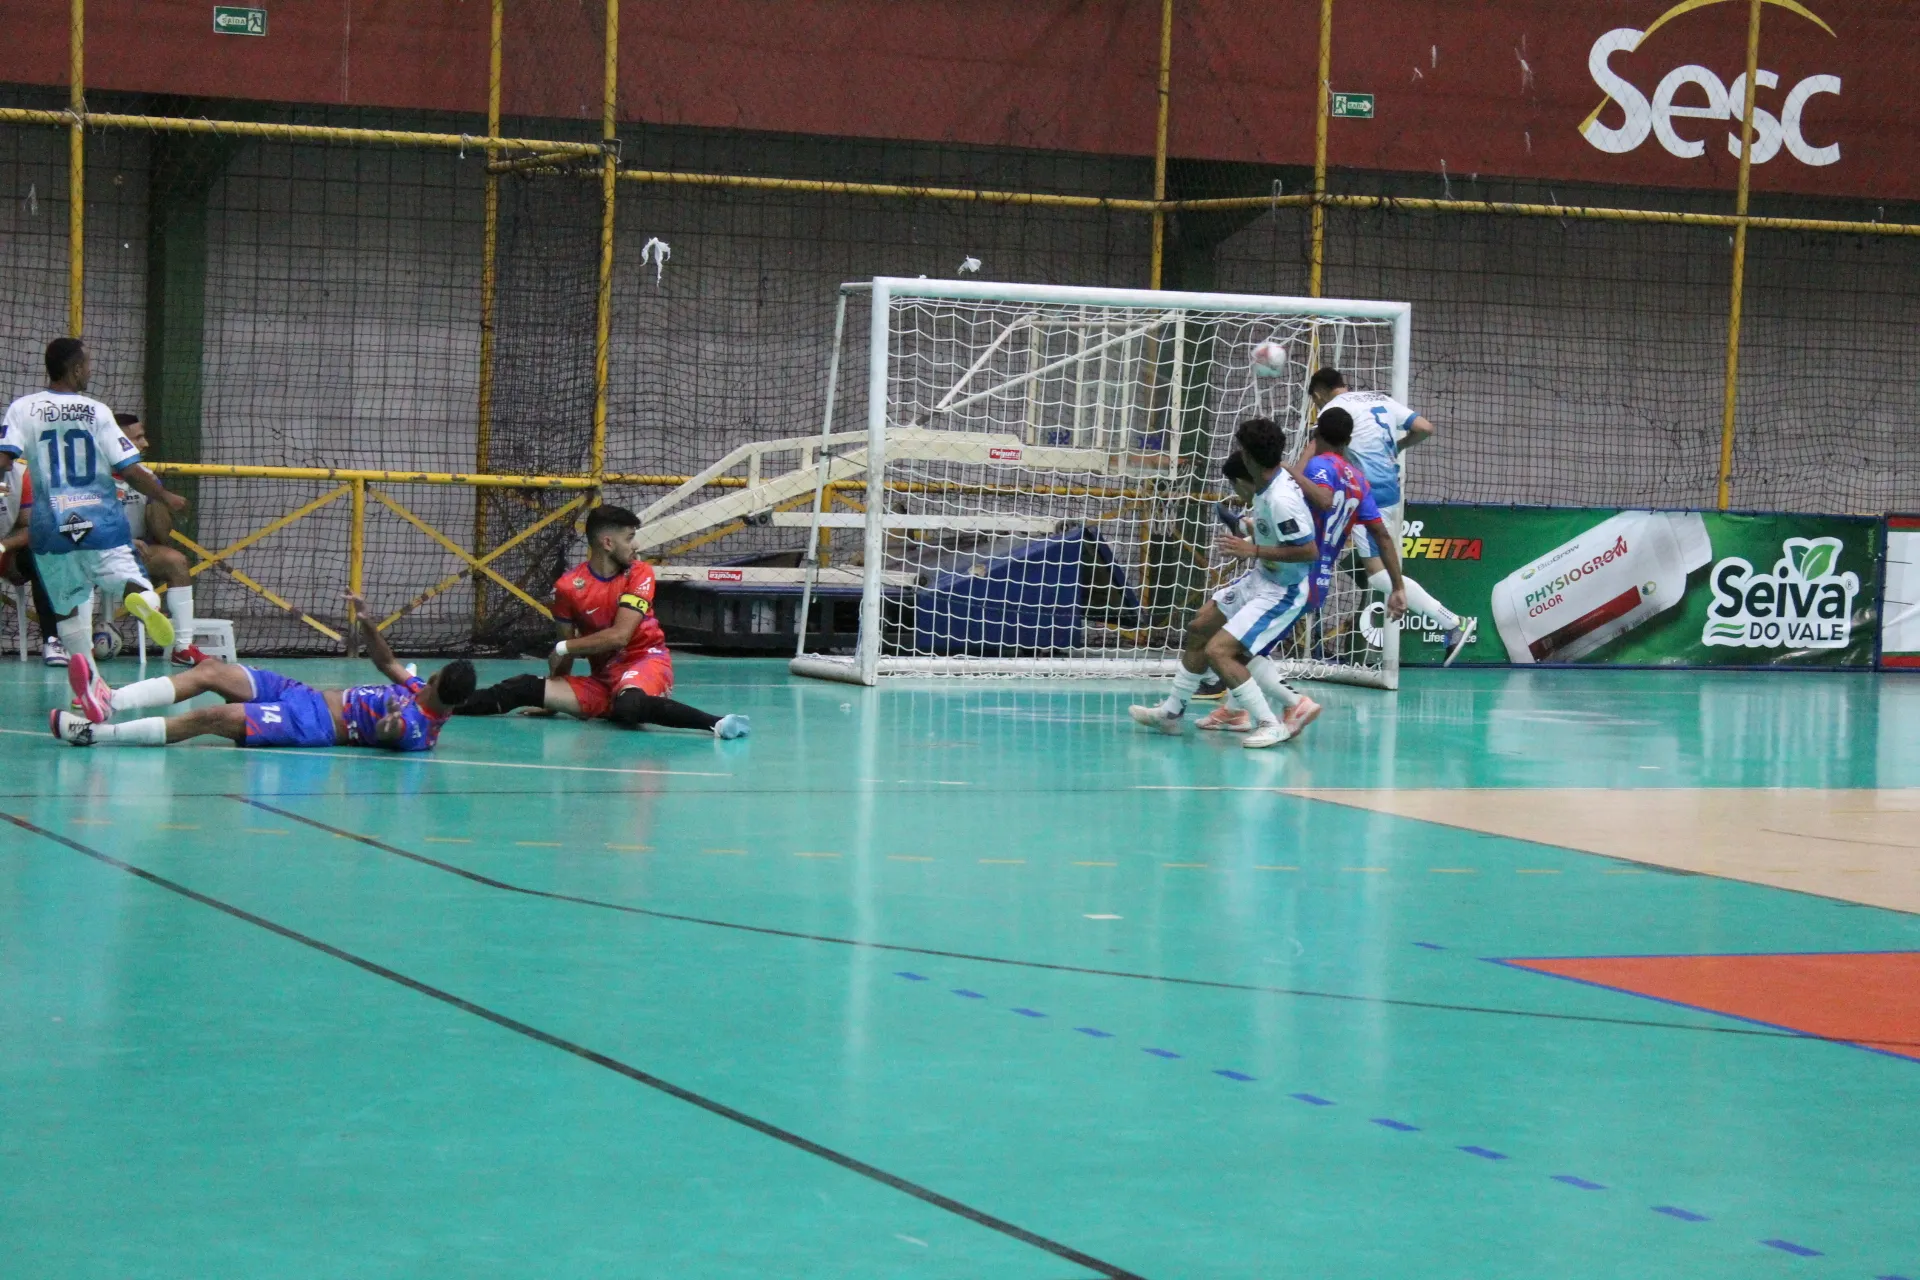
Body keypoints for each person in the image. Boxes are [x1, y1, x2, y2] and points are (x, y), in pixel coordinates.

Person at [0, 338, 190, 717]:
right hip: (98, 521)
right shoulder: (97, 412)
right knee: (132, 581)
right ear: (74, 370)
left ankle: (88, 683)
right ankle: (140, 599)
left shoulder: (23, 408)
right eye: (87, 364)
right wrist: (165, 497)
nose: (90, 370)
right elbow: (131, 470)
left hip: (50, 526)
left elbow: (5, 459)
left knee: (69, 605)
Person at [1195, 408, 1409, 734]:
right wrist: (1398, 586)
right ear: (1349, 439)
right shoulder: (1358, 479)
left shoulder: (1320, 467)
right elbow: (1381, 534)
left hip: (1296, 572)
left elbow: (1322, 500)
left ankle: (1291, 706)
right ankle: (1235, 711)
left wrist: (1287, 466)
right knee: (1249, 646)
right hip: (1319, 577)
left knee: (1235, 649)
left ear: (1316, 434)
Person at [456, 504, 749, 738]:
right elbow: (564, 654)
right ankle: (438, 702)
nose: (635, 546)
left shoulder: (639, 573)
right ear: (608, 543)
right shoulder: (568, 588)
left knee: (629, 703)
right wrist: (552, 696)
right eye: (629, 538)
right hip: (603, 680)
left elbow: (619, 636)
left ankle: (718, 724)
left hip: (644, 662)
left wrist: (562, 648)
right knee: (522, 688)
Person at [51, 590, 475, 749]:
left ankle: (93, 733)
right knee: (212, 670)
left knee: (212, 718)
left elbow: (392, 734)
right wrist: (367, 622)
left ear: (438, 687)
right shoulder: (421, 689)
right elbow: (386, 662)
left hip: (312, 724)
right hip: (301, 694)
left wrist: (390, 722)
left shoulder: (418, 725)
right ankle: (110, 700)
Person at [1128, 417, 1320, 749]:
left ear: (1249, 458)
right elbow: (1270, 528)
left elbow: (1308, 551)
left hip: (1281, 591)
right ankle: (1171, 715)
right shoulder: (1265, 487)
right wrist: (1246, 530)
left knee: (1221, 651)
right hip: (1261, 578)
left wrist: (1252, 549)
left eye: (1241, 450)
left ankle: (1268, 723)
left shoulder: (1280, 499)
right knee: (1201, 626)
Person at [1307, 367, 1472, 665]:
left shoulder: (1332, 410)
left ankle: (1451, 621)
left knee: (1379, 575)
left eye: (1315, 401)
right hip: (1392, 493)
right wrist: (1398, 446)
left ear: (1319, 393)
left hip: (1367, 494)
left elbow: (1318, 449)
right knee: (1381, 567)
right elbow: (1425, 427)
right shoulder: (1379, 398)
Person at [112, 413, 207, 665]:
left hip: (138, 551)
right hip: (98, 548)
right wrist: (123, 540)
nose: (145, 444)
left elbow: (163, 537)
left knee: (176, 562)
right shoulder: (92, 475)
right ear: (118, 441)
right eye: (138, 438)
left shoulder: (146, 476)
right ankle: (81, 644)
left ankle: (183, 647)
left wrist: (157, 501)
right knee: (124, 566)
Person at [0, 457, 68, 666]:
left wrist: (3, 546)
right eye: (8, 449)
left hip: (6, 553)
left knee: (44, 554)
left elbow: (31, 527)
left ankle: (52, 640)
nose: (14, 452)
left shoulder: (22, 474)